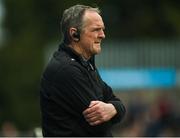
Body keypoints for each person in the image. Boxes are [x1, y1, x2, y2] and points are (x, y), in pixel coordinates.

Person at [40, 4, 126, 137]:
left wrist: (113, 108)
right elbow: (101, 126)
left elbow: (114, 100)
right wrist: (114, 109)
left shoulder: (85, 64)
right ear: (74, 34)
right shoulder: (66, 70)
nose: (102, 35)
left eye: (102, 29)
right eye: (96, 29)